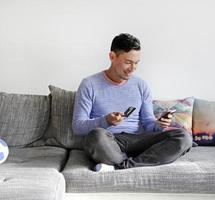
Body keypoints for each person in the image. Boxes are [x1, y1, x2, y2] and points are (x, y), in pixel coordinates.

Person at [72, 33, 192, 172]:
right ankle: (136, 162)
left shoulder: (141, 85)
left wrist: (159, 124)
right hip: (109, 142)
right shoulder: (89, 84)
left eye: (136, 63)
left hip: (139, 140)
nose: (132, 68)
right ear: (112, 57)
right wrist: (106, 121)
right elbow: (78, 126)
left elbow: (148, 124)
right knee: (95, 136)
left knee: (184, 137)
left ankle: (121, 165)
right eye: (128, 62)